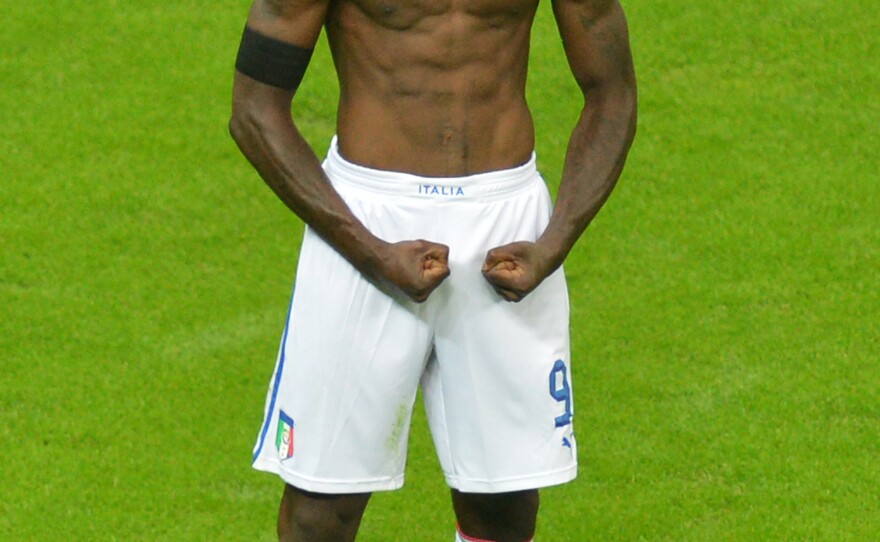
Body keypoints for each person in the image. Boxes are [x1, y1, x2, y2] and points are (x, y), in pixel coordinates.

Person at [229, 0, 636, 538]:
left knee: (504, 503)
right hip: (366, 218)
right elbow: (254, 108)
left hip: (505, 220)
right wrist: (371, 250)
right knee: (320, 511)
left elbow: (613, 94)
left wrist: (554, 241)